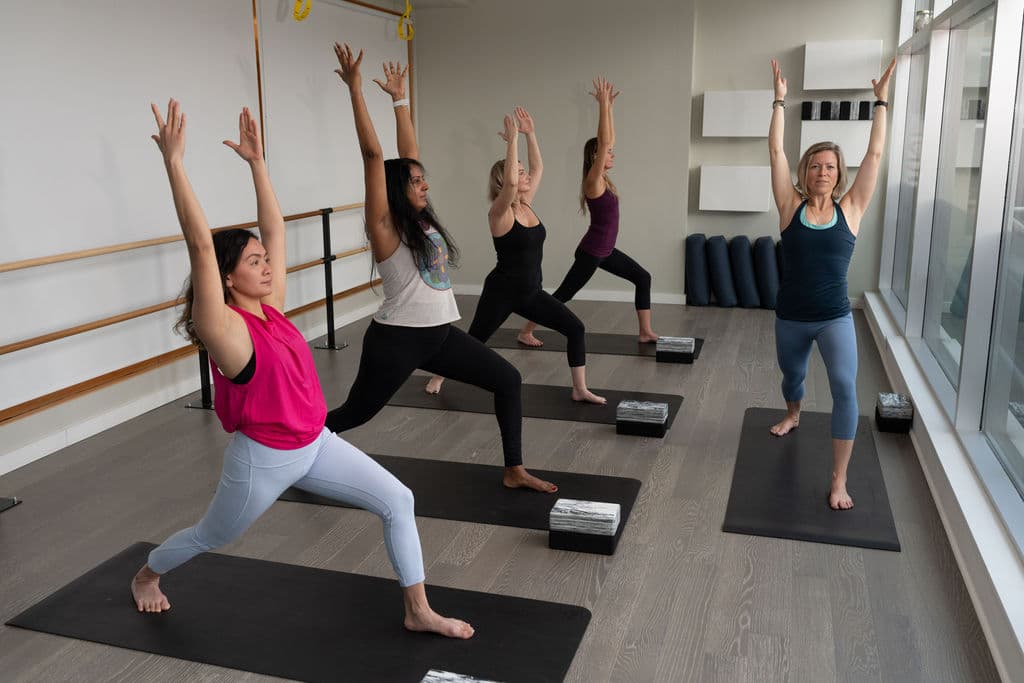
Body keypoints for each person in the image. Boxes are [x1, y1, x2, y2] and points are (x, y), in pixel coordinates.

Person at [130, 100, 473, 639]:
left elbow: (278, 231)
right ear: (225, 278)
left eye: (266, 260)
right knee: (210, 536)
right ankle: (147, 574)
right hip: (263, 461)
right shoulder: (224, 331)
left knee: (398, 499)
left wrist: (258, 165)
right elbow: (200, 244)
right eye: (254, 263)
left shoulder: (270, 307)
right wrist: (175, 162)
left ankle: (417, 609)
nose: (268, 266)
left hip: (314, 443)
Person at [326, 44, 557, 493]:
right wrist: (356, 90)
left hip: (439, 335)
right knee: (356, 414)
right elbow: (376, 158)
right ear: (396, 190)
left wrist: (400, 101)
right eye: (415, 182)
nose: (424, 184)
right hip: (397, 341)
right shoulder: (385, 227)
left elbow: (407, 155)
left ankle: (514, 470)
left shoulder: (421, 218)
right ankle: (291, 449)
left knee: (508, 380)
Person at [766, 57, 896, 510]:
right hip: (791, 317)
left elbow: (875, 155)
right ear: (806, 173)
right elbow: (776, 153)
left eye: (830, 167)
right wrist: (780, 100)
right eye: (816, 166)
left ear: (840, 175)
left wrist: (880, 101)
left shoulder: (852, 210)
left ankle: (839, 479)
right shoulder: (789, 206)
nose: (823, 171)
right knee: (793, 378)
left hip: (835, 318)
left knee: (845, 387)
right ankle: (793, 412)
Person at [424, 108, 605, 404]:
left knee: (576, 328)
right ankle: (438, 374)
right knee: (474, 340)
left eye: (522, 171)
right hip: (502, 292)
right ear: (504, 181)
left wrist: (530, 133)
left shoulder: (526, 205)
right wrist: (512, 141)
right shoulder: (500, 213)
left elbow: (539, 168)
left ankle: (580, 389)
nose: (525, 175)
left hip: (531, 293)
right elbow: (509, 184)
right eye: (518, 171)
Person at [519, 77, 658, 346]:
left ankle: (645, 331)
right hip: (592, 252)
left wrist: (609, 108)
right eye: (609, 153)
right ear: (597, 157)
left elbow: (608, 141)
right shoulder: (593, 181)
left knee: (643, 277)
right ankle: (526, 331)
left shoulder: (604, 180)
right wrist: (603, 106)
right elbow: (605, 142)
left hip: (605, 251)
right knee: (563, 295)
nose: (613, 154)